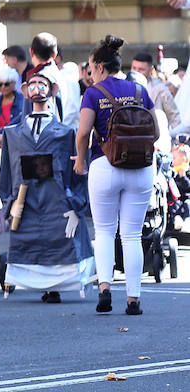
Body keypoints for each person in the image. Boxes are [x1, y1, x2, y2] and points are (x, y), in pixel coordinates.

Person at [75, 35, 156, 316]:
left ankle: (105, 290)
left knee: (105, 232)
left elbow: (84, 132)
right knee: (132, 235)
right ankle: (134, 299)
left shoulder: (94, 93)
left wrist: (80, 161)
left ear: (99, 66)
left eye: (90, 67)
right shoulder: (138, 89)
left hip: (105, 164)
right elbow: (154, 129)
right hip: (141, 167)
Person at [0, 74, 94, 303]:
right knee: (27, 241)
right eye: (32, 84)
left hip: (56, 200)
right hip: (25, 201)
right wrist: (7, 203)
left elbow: (77, 171)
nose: (37, 88)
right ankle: (29, 281)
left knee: (59, 241)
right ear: (24, 90)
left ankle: (57, 286)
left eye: (43, 84)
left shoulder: (66, 133)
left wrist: (77, 207)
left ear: (53, 90)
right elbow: (6, 172)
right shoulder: (12, 134)